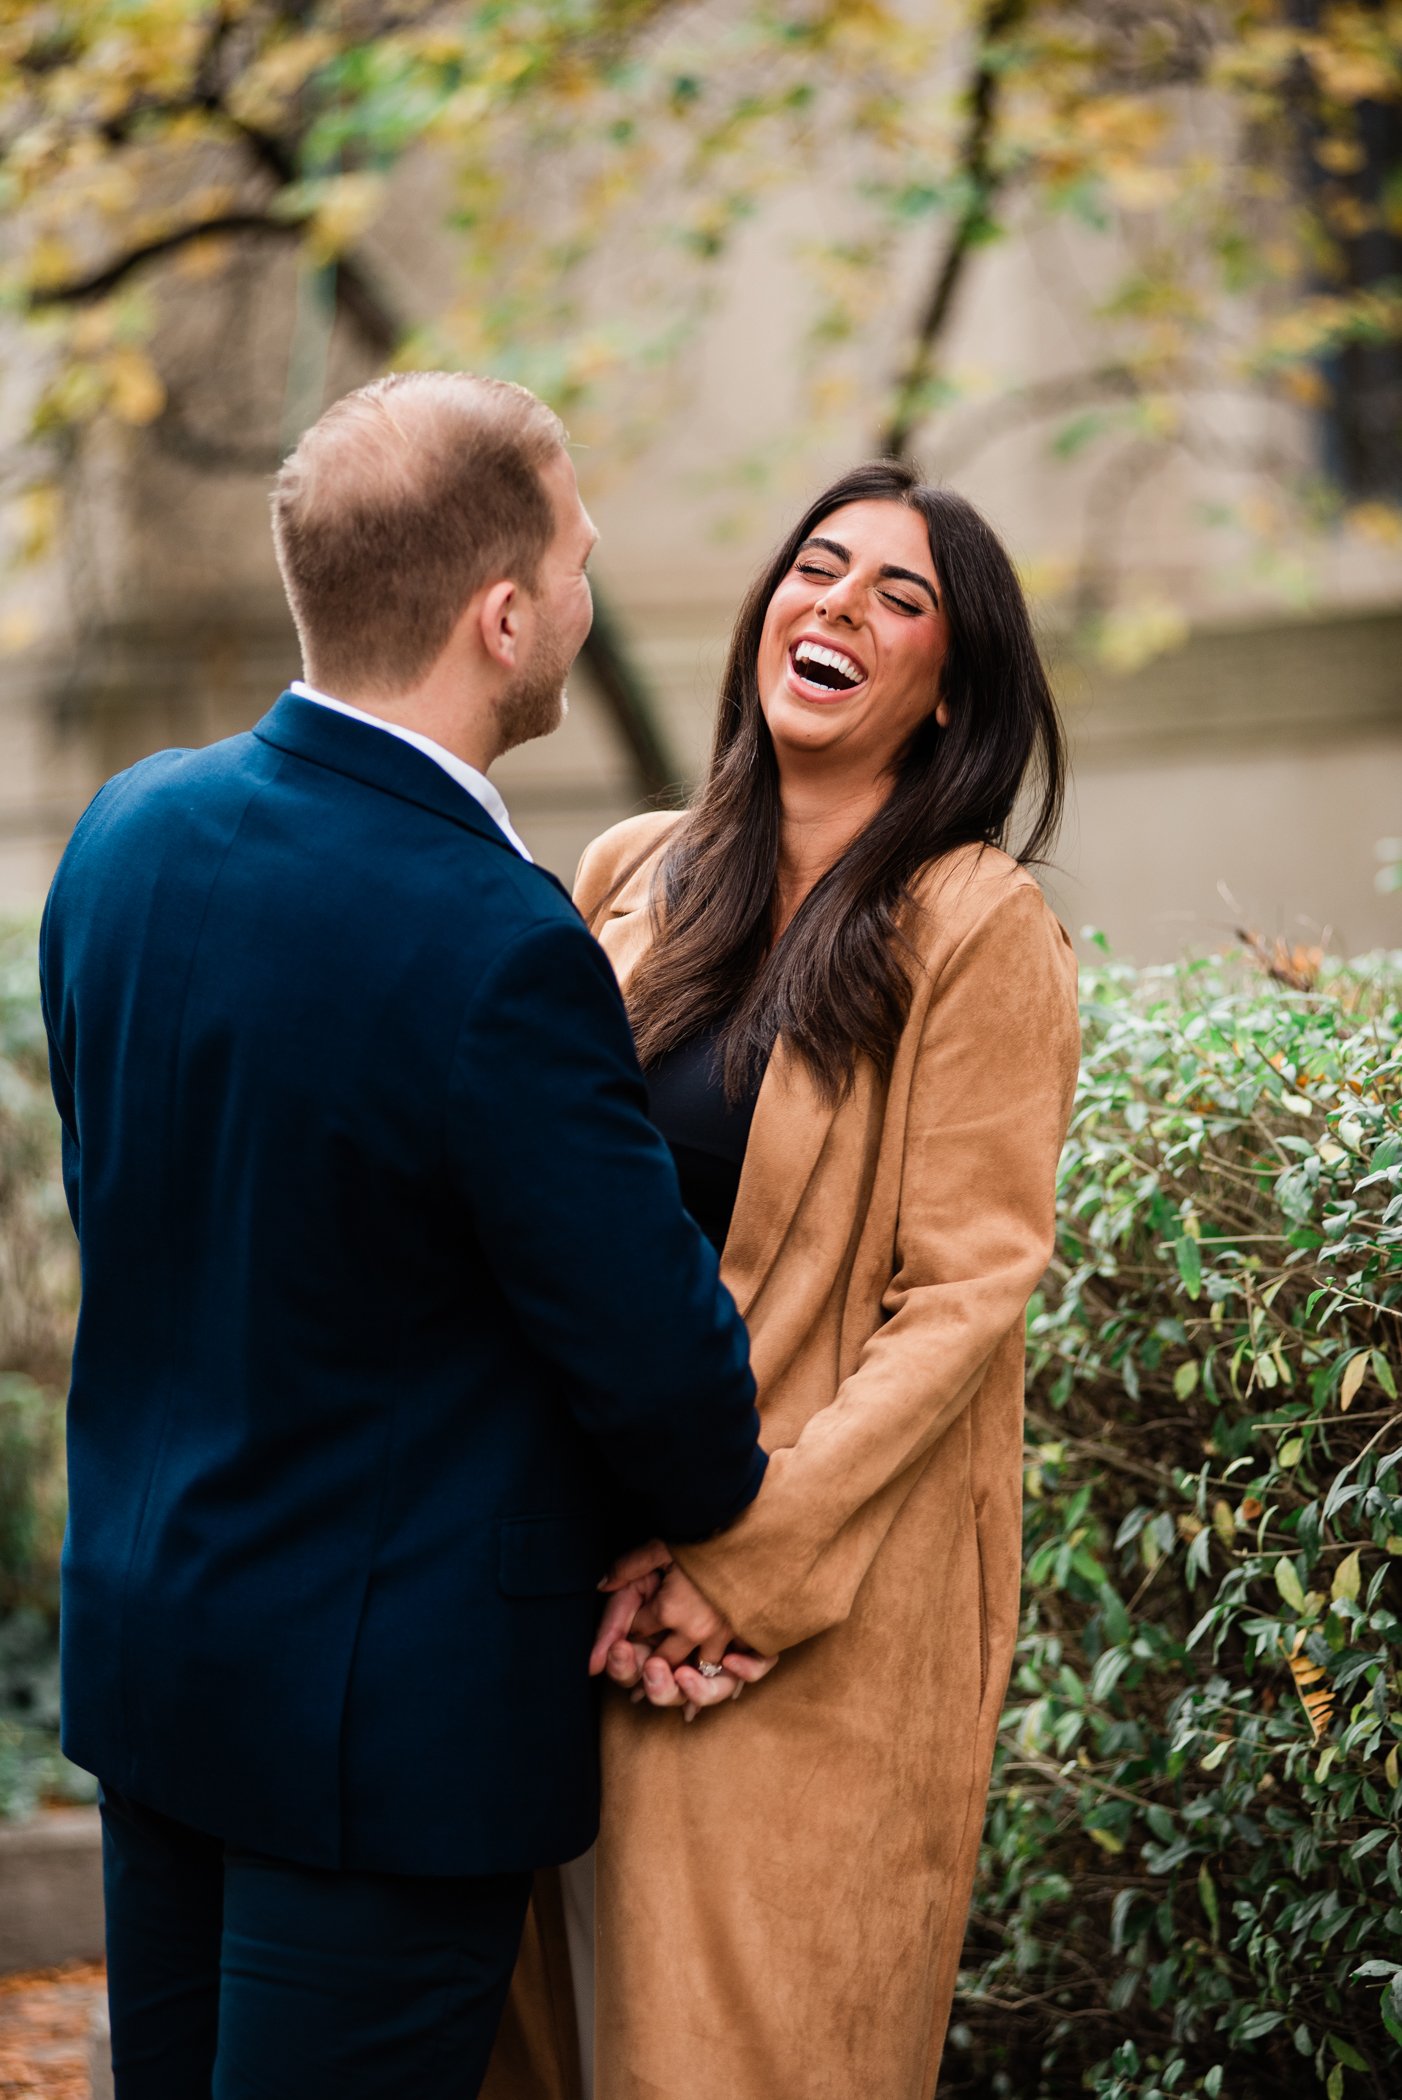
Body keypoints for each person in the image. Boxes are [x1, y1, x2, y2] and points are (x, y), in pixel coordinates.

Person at [37, 371, 768, 2100]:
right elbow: (671, 1391)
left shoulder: (126, 832)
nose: (584, 600)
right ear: (502, 612)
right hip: (376, 1740)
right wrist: (702, 1525)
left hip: (156, 1661)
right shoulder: (495, 944)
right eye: (579, 563)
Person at [485, 460, 1081, 2100]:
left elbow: (964, 1295)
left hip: (791, 1627)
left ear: (946, 688)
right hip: (575, 1591)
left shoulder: (973, 924)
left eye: (900, 599)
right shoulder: (635, 874)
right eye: (818, 569)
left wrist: (738, 1567)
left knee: (736, 2059)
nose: (838, 605)